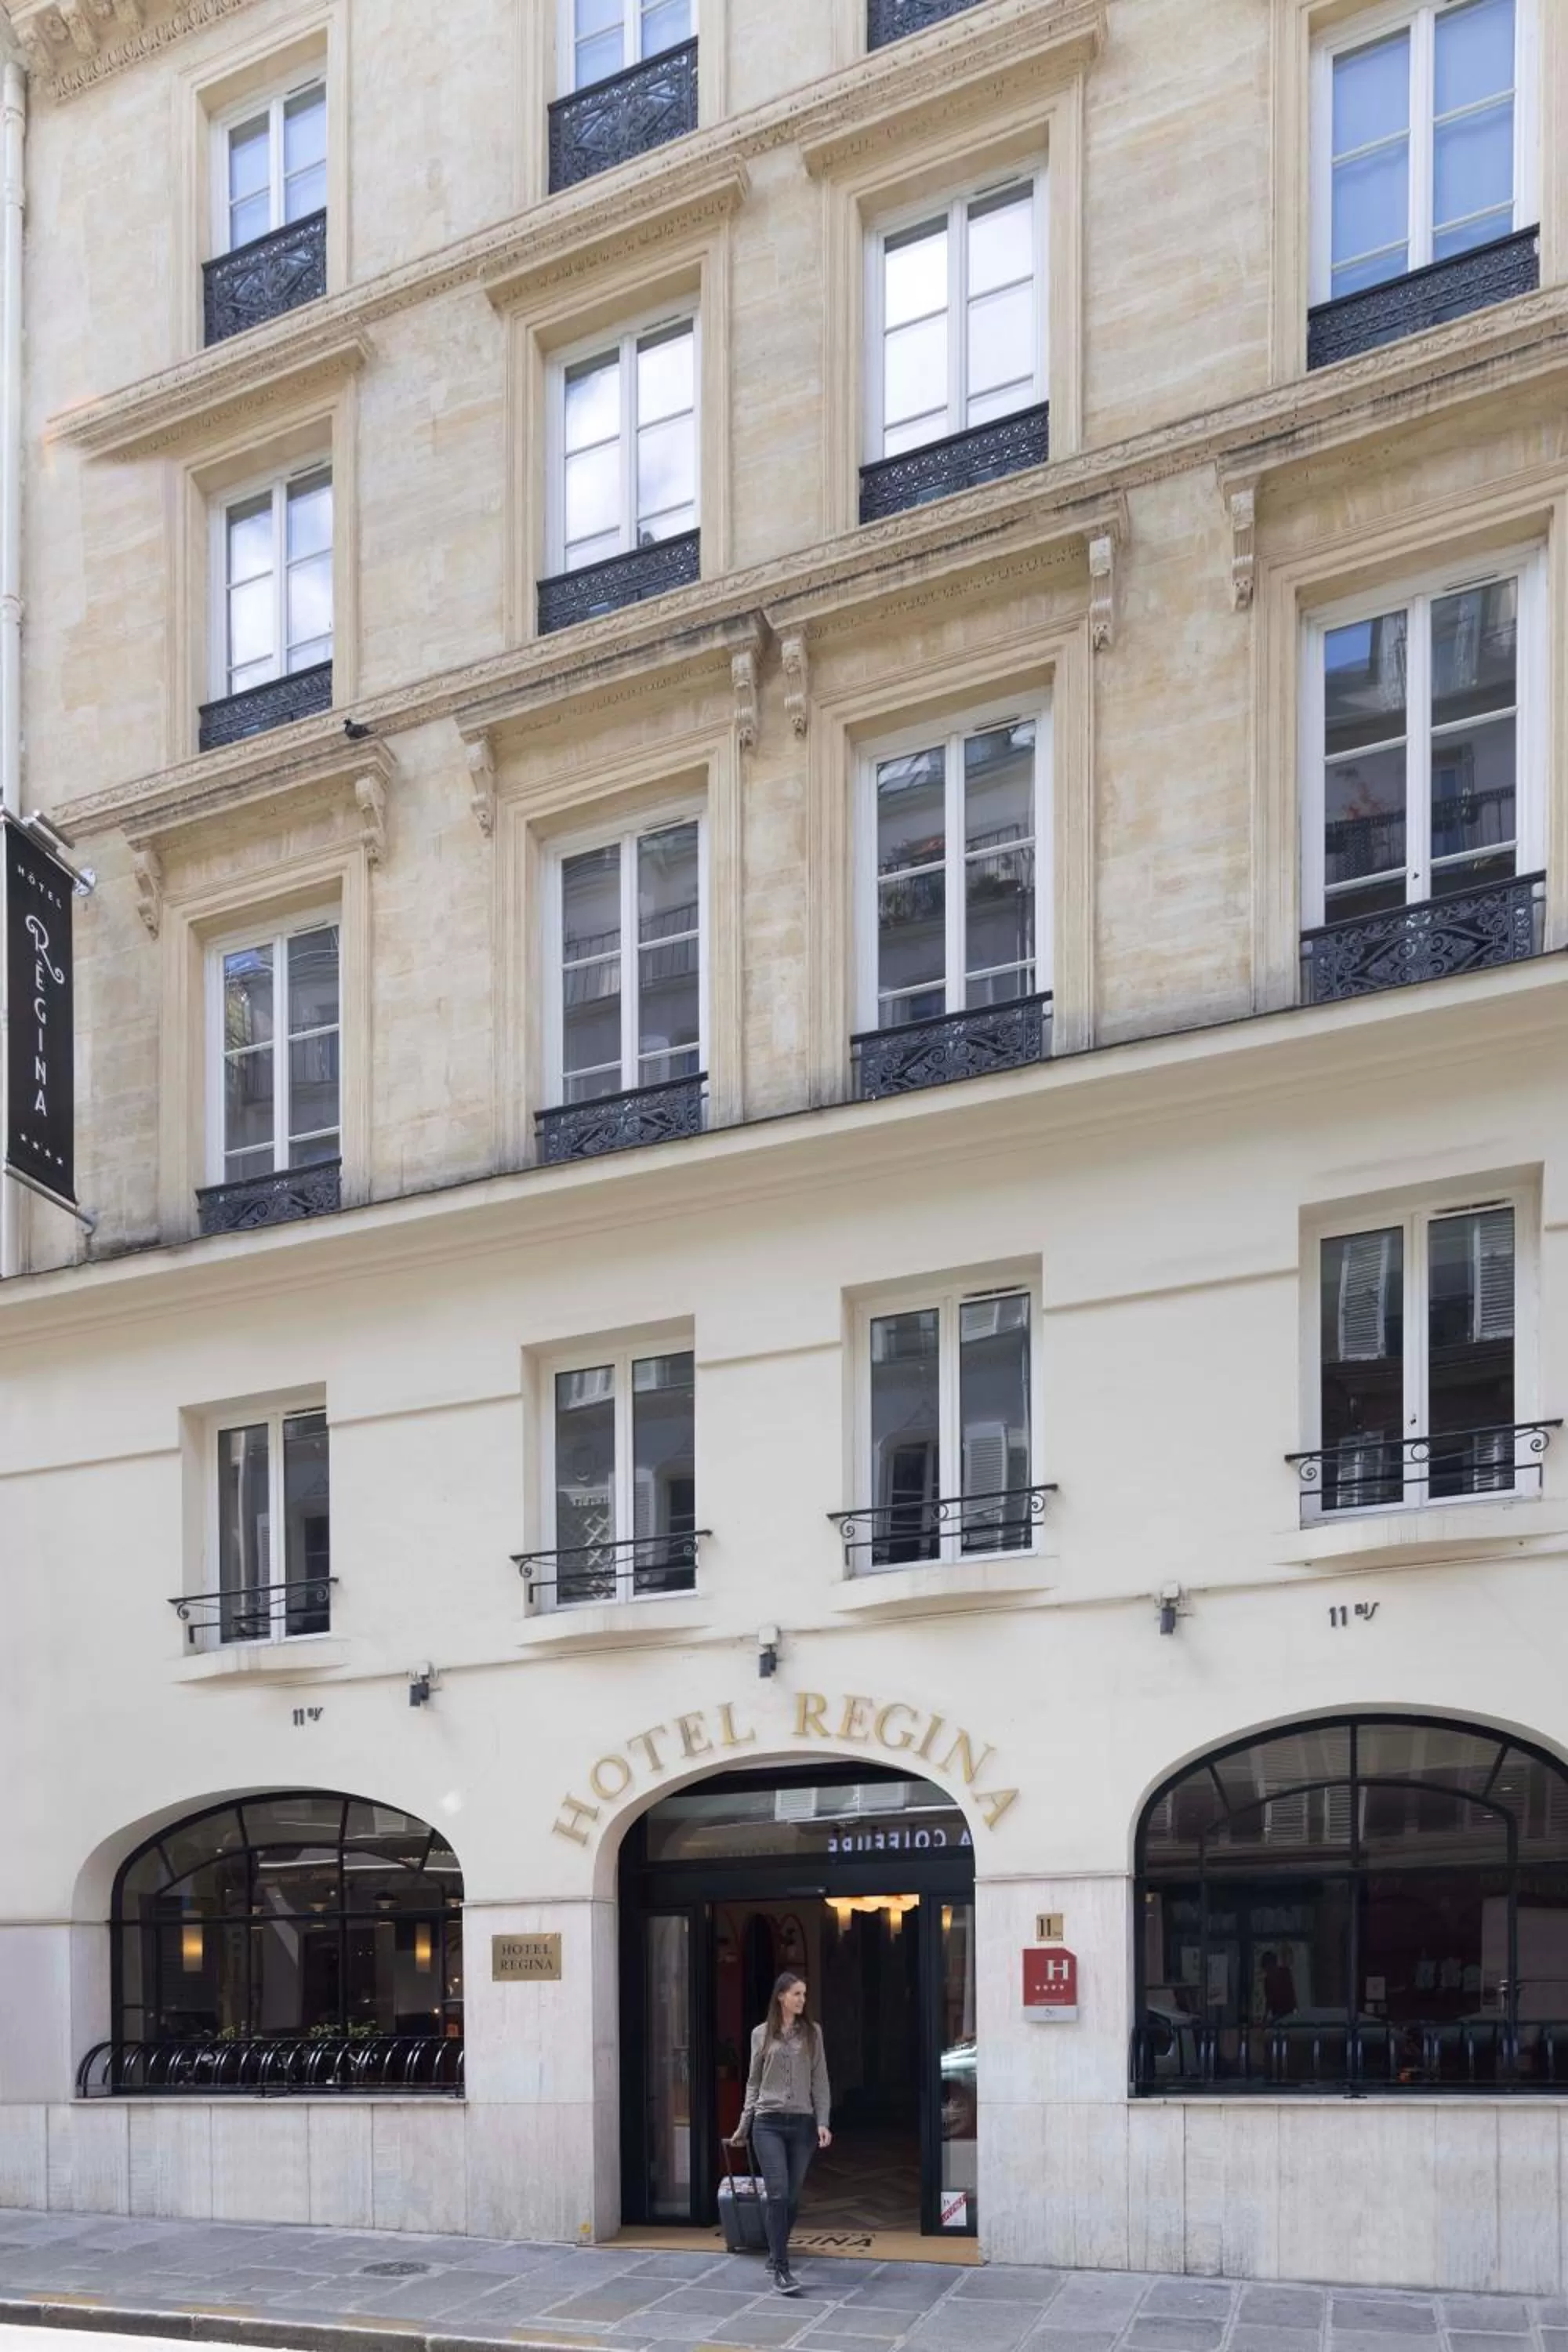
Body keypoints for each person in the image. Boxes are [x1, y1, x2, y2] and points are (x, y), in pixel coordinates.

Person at [729, 1970, 831, 2296]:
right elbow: (753, 2082)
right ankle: (782, 2270)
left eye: (804, 1994)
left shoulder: (813, 2034)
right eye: (797, 1994)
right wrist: (744, 2125)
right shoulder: (760, 2034)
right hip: (768, 2123)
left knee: (791, 2197)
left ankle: (775, 2254)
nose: (802, 2000)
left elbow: (820, 2081)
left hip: (802, 2125)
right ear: (781, 1997)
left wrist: (823, 2121)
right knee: (777, 2193)